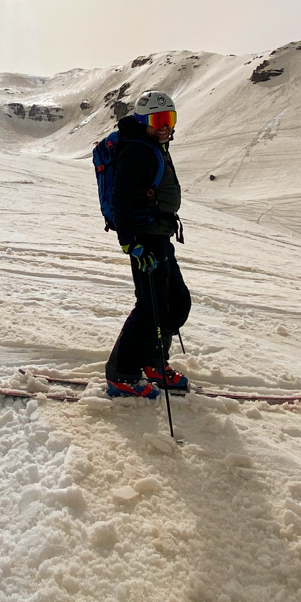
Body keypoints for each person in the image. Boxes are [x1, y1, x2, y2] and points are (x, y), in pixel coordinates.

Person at [105, 91, 192, 398]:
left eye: (169, 119)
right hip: (144, 240)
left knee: (176, 302)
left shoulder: (155, 146)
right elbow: (121, 199)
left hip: (160, 237)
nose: (165, 127)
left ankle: (154, 362)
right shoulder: (136, 151)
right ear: (144, 122)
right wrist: (131, 244)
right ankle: (122, 375)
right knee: (149, 308)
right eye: (158, 121)